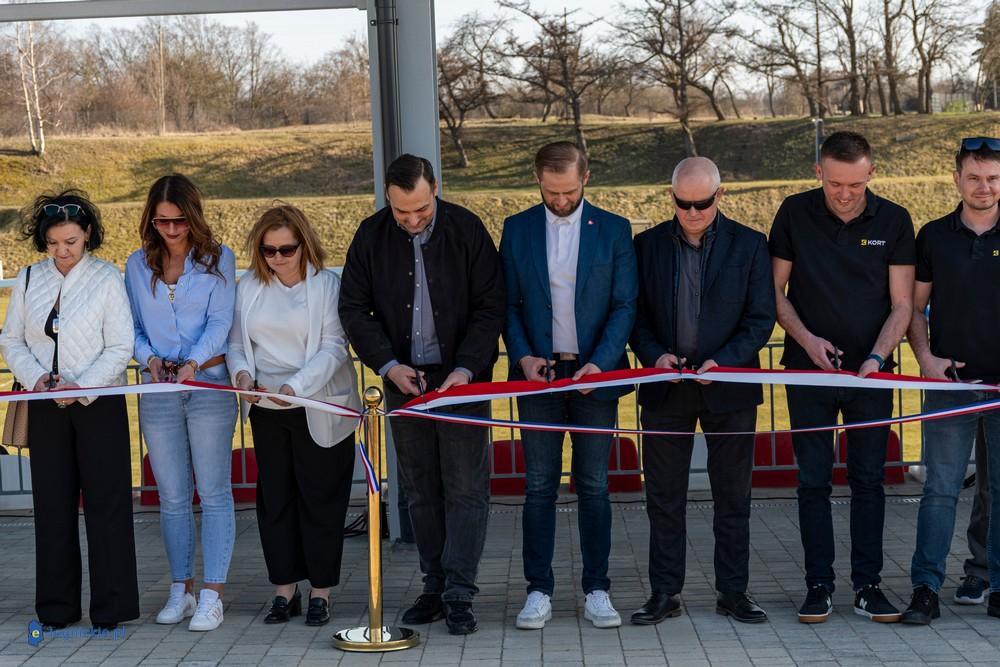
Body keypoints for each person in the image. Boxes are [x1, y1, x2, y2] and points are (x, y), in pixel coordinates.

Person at [339, 154, 504, 635]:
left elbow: (490, 306)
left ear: (436, 188)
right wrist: (389, 366)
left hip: (462, 381)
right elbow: (353, 308)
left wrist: (467, 368)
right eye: (401, 212)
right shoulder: (370, 236)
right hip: (403, 382)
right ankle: (433, 585)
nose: (412, 221)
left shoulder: (468, 230)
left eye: (421, 210)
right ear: (387, 199)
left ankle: (460, 592)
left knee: (465, 487)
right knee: (420, 488)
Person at [769, 130, 915, 623]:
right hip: (806, 372)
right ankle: (818, 585)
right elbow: (774, 290)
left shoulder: (894, 220)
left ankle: (868, 586)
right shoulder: (794, 212)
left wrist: (876, 358)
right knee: (813, 480)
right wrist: (808, 342)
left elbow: (902, 304)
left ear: (871, 173)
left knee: (869, 480)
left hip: (871, 376)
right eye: (834, 184)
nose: (845, 194)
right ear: (819, 172)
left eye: (855, 184)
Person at [629, 157, 775, 625]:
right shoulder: (646, 245)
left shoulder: (750, 244)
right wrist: (655, 356)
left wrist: (726, 361)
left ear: (720, 195)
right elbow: (635, 315)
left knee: (733, 497)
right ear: (671, 196)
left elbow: (760, 317)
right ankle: (664, 592)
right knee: (663, 497)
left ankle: (733, 592)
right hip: (666, 388)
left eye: (703, 203)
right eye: (683, 203)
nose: (692, 212)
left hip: (730, 389)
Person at [500, 141, 638, 630]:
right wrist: (523, 357)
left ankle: (597, 589)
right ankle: (538, 590)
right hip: (538, 377)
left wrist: (600, 363)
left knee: (594, 486)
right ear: (538, 181)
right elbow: (508, 304)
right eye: (551, 191)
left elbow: (624, 304)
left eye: (569, 191)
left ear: (586, 179)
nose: (560, 200)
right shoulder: (516, 229)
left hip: (594, 377)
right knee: (539, 486)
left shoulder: (615, 229)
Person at [0, 190, 138, 631]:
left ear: (88, 235)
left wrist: (82, 386)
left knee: (107, 504)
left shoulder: (107, 278)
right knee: (52, 505)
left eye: (71, 242)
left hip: (98, 403)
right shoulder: (28, 278)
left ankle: (111, 608)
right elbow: (11, 340)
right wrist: (38, 379)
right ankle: (56, 609)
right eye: (53, 243)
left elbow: (121, 345)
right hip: (44, 403)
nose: (62, 252)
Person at [228, 204, 362, 627]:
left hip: (317, 404)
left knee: (320, 499)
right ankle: (284, 589)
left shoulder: (326, 285)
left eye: (286, 250)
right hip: (266, 406)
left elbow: (333, 347)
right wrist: (242, 375)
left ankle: (321, 591)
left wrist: (295, 388)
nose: (277, 258)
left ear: (305, 245)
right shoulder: (249, 286)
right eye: (268, 251)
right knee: (275, 500)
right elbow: (236, 344)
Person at [124, 174, 238, 632]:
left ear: (194, 216)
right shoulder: (137, 265)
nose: (171, 230)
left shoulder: (219, 259)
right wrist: (150, 359)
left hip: (209, 384)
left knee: (213, 491)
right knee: (171, 496)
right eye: (162, 221)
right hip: (158, 390)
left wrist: (192, 362)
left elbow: (221, 322)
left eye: (179, 221)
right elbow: (132, 327)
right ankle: (181, 589)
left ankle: (213, 594)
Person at [900, 137, 1000, 624]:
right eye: (974, 177)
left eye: (993, 178)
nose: (984, 187)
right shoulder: (934, 236)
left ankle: (997, 585)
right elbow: (914, 308)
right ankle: (925, 588)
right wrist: (925, 357)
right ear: (957, 179)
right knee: (940, 490)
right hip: (950, 385)